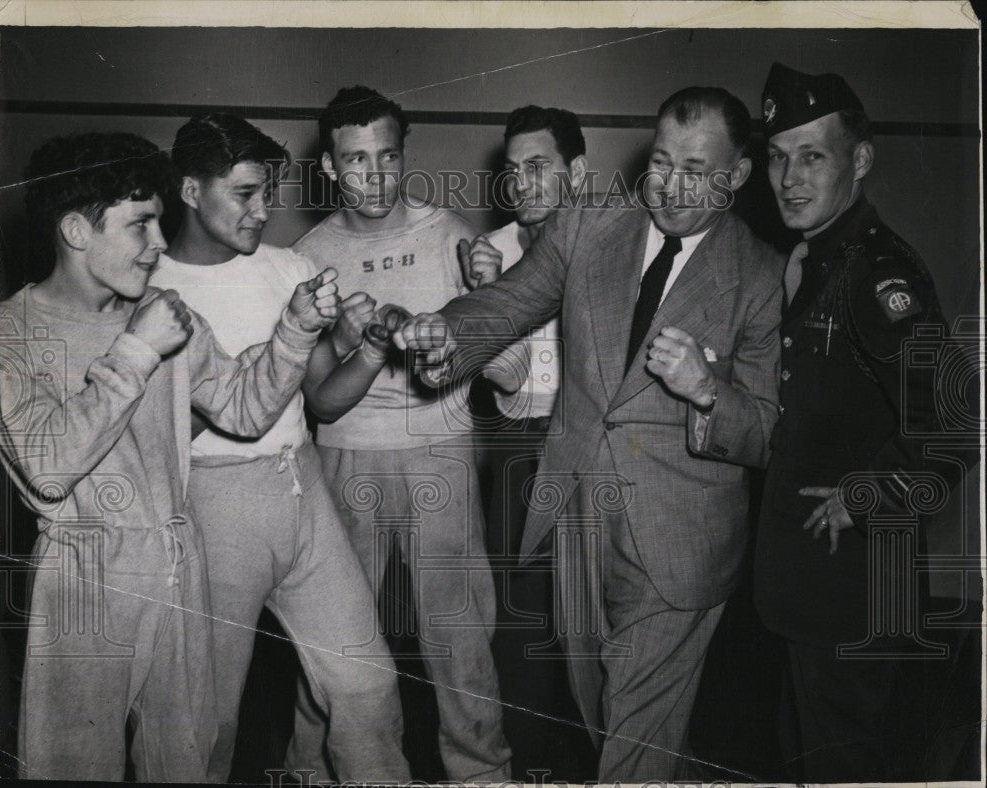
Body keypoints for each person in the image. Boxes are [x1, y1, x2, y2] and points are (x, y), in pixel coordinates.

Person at [395, 86, 785, 782]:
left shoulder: (758, 275)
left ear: (737, 176)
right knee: (600, 709)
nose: (668, 184)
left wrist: (706, 391)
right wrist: (447, 331)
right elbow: (510, 301)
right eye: (660, 161)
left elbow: (762, 431)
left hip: (682, 539)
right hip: (579, 512)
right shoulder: (590, 226)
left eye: (696, 170)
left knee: (634, 734)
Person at [0, 131, 339, 781]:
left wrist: (296, 328)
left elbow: (244, 406)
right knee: (72, 766)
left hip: (179, 558)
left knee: (191, 760)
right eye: (141, 226)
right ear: (75, 230)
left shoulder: (162, 311)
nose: (160, 245)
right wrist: (136, 352)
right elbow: (48, 467)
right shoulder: (9, 335)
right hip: (83, 578)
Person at [148, 113, 409, 783]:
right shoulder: (149, 292)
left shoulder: (288, 267)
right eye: (244, 194)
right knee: (206, 723)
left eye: (267, 193)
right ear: (187, 189)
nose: (263, 211)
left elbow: (321, 399)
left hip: (305, 493)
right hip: (213, 506)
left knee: (367, 687)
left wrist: (375, 347)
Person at [754, 62, 967, 782]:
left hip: (855, 600)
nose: (789, 177)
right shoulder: (814, 260)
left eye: (812, 155)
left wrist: (868, 496)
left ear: (861, 160)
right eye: (778, 157)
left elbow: (956, 422)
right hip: (811, 599)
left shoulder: (878, 274)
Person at [292, 86, 512, 782]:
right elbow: (318, 401)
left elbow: (493, 361)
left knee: (459, 640)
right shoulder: (307, 255)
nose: (376, 175)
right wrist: (355, 343)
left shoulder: (450, 235)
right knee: (334, 640)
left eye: (388, 156)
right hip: (344, 455)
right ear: (329, 167)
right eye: (356, 161)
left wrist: (487, 297)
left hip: (438, 453)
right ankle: (314, 774)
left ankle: (482, 774)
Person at [460, 105, 595, 779]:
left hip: (594, 448)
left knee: (598, 618)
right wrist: (485, 295)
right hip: (518, 443)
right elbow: (501, 377)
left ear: (578, 171)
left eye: (538, 166)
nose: (522, 182)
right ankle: (530, 768)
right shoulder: (494, 253)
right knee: (520, 625)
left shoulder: (620, 243)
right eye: (513, 170)